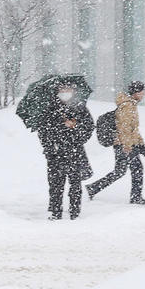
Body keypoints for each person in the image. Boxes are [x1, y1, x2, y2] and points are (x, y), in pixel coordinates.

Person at [87, 80, 145, 205]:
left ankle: (93, 188)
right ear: (135, 92)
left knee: (120, 171)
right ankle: (136, 197)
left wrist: (141, 144)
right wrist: (127, 146)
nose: (143, 94)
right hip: (124, 144)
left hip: (123, 143)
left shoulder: (130, 105)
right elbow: (124, 128)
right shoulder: (127, 106)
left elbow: (133, 130)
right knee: (137, 169)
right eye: (141, 91)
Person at [36, 81, 93, 220]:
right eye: (62, 89)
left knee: (75, 183)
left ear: (73, 91)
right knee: (56, 184)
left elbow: (89, 128)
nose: (65, 92)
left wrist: (75, 127)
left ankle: (75, 211)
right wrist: (52, 142)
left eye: (68, 89)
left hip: (75, 151)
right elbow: (43, 131)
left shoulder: (80, 108)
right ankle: (56, 212)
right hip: (55, 153)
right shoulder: (50, 108)